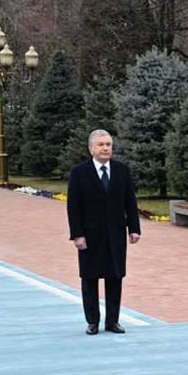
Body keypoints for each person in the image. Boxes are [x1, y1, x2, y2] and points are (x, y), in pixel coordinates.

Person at [66, 130, 140, 334]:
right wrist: (77, 234)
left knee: (115, 277)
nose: (106, 148)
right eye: (101, 145)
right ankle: (92, 321)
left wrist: (134, 228)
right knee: (90, 278)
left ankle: (112, 321)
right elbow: (73, 206)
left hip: (115, 233)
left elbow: (130, 202)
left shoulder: (121, 170)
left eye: (108, 144)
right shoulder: (79, 173)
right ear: (91, 148)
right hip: (90, 235)